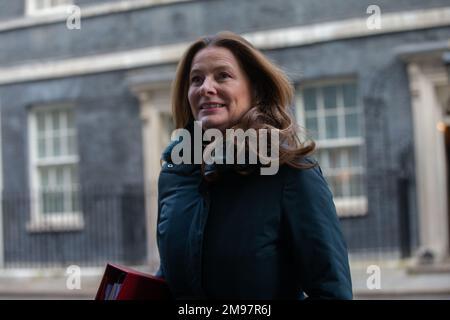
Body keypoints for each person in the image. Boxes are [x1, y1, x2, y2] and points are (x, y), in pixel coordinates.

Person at [155, 31, 353, 300]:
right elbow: (174, 278)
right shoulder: (174, 177)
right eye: (196, 79)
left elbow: (332, 293)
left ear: (255, 88)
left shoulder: (290, 173)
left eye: (223, 75)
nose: (206, 88)